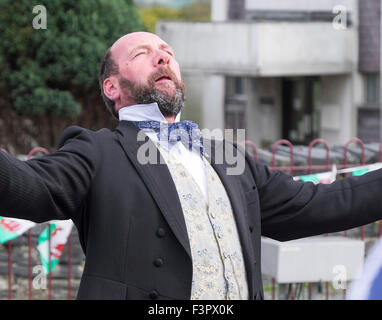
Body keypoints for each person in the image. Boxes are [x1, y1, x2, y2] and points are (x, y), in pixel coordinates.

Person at [1, 31, 382, 300]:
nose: (163, 56)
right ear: (111, 87)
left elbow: (315, 203)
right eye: (141, 54)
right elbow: (32, 187)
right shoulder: (97, 151)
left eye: (167, 51)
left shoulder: (228, 158)